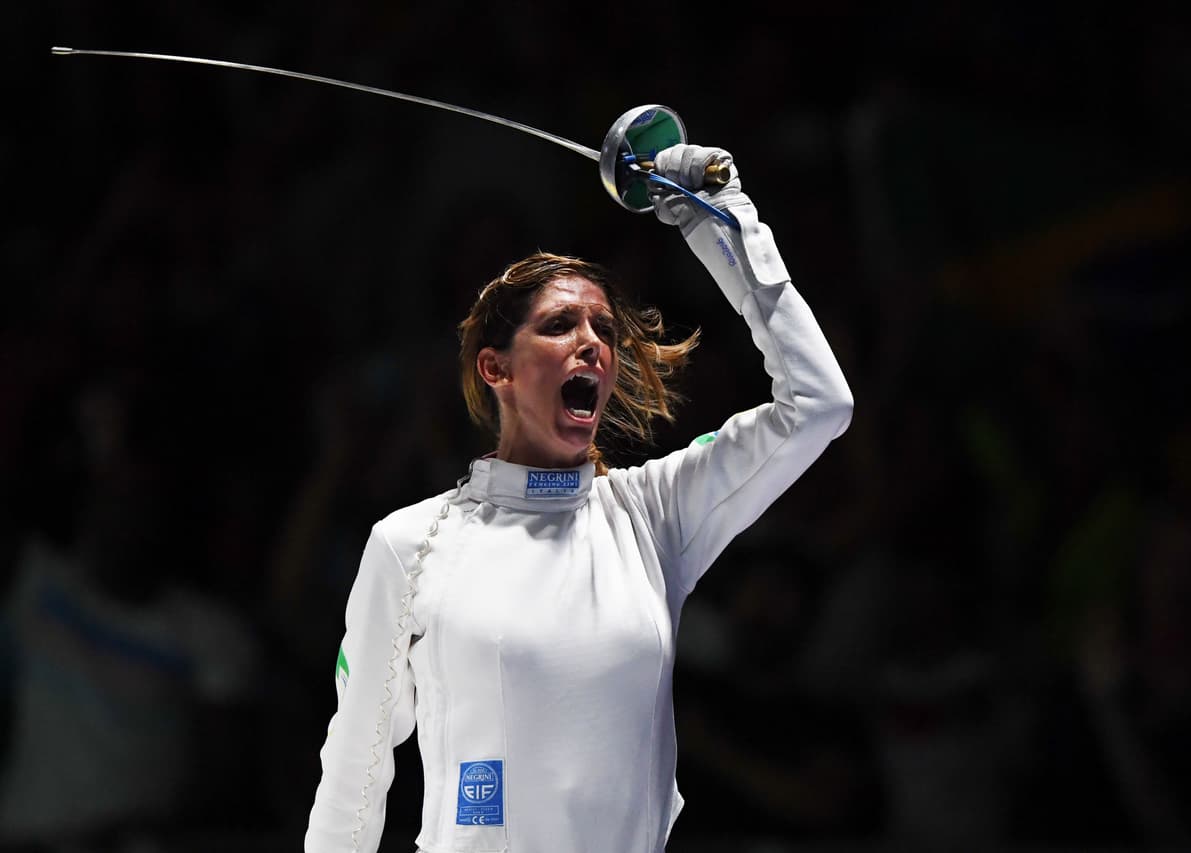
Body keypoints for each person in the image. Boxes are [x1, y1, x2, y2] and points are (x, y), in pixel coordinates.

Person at [303, 143, 855, 853]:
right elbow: (354, 772)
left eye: (604, 328)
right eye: (560, 324)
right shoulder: (411, 544)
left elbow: (819, 403)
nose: (592, 342)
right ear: (496, 367)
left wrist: (724, 221)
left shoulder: (654, 516)